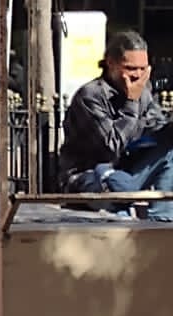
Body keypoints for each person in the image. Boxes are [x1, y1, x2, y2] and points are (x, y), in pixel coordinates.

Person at [59, 31, 173, 220]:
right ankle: (123, 211)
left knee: (168, 151)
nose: (138, 75)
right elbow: (112, 146)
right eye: (130, 68)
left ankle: (162, 217)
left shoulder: (143, 92)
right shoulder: (90, 96)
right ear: (111, 63)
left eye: (143, 69)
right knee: (115, 182)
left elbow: (155, 126)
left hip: (127, 172)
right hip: (89, 176)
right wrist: (131, 103)